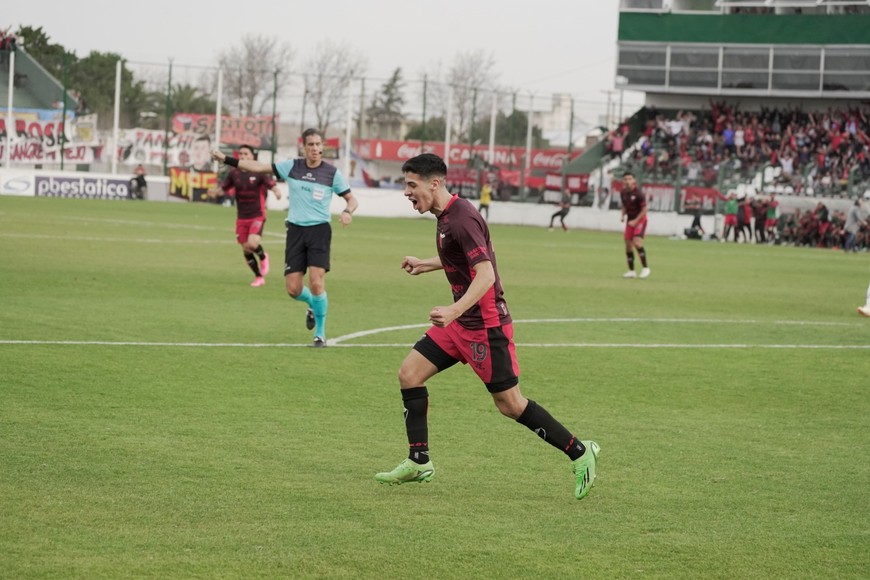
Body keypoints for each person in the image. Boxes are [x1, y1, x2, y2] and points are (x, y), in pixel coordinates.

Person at [374, 153, 600, 500]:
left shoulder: (462, 218)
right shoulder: (446, 216)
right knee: (409, 374)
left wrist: (452, 310)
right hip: (459, 324)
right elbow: (460, 257)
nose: (406, 192)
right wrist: (426, 263)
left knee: (510, 405)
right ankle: (419, 461)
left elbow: (487, 274)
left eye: (411, 185)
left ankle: (580, 452)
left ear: (434, 183)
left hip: (485, 326)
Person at [212, 128, 358, 347]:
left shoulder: (331, 173)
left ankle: (320, 334)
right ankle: (311, 304)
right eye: (311, 145)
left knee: (317, 282)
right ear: (304, 147)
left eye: (319, 145)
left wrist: (348, 211)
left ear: (323, 147)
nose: (315, 149)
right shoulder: (292, 166)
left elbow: (351, 199)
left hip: (319, 231)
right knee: (293, 289)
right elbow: (258, 167)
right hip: (295, 232)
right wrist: (227, 160)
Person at [217, 144, 284, 287]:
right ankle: (259, 277)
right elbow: (224, 188)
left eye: (246, 154)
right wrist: (214, 192)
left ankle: (263, 256)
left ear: (252, 156)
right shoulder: (234, 173)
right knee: (246, 248)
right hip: (241, 216)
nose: (242, 156)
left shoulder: (259, 171)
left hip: (257, 214)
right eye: (240, 154)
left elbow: (271, 184)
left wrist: (277, 191)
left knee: (253, 243)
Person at [620, 172, 650, 278]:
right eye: (625, 179)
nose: (628, 181)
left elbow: (645, 209)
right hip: (630, 220)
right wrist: (622, 215)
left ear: (634, 181)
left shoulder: (638, 194)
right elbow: (624, 205)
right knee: (628, 245)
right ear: (623, 181)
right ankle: (631, 271)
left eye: (630, 179)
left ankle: (645, 268)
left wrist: (636, 221)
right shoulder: (623, 192)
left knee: (637, 242)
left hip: (640, 220)